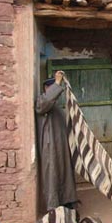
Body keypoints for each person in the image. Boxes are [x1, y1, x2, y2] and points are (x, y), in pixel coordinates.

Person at [35, 70, 78, 213]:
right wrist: (58, 82)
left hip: (61, 147)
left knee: (65, 174)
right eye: (52, 87)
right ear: (47, 89)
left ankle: (67, 202)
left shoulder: (56, 108)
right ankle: (54, 208)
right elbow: (43, 105)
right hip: (50, 147)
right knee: (52, 175)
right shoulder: (42, 102)